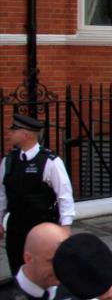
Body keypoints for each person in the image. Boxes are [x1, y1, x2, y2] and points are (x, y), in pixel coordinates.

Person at [0, 114, 75, 275]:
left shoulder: (50, 162)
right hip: (16, 225)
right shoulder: (8, 161)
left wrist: (65, 227)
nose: (9, 133)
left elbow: (64, 195)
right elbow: (2, 195)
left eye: (14, 130)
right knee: (17, 266)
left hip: (42, 224)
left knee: (44, 269)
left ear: (25, 134)